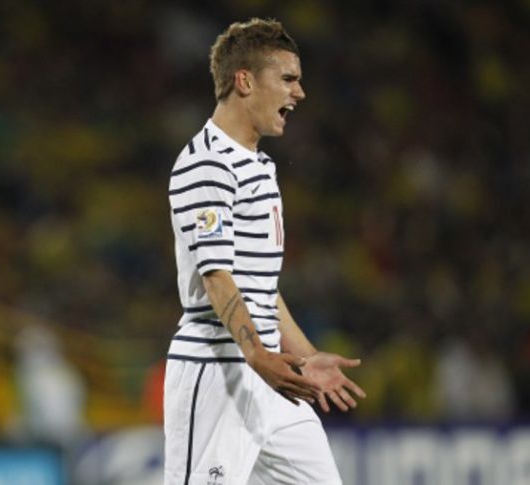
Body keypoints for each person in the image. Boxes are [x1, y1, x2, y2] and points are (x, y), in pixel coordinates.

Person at [165, 18, 366, 485]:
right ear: (245, 80)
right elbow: (217, 277)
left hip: (271, 375)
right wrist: (257, 356)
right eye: (289, 79)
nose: (299, 94)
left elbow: (260, 289)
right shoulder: (206, 164)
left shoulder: (258, 166)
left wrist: (305, 355)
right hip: (218, 371)